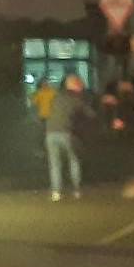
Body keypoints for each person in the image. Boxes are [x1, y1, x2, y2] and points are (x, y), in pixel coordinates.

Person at [43, 74, 90, 202]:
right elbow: (89, 114)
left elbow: (47, 112)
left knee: (55, 164)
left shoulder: (56, 96)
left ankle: (56, 192)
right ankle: (76, 190)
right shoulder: (76, 98)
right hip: (67, 133)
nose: (82, 86)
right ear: (75, 85)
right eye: (80, 84)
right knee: (74, 160)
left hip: (50, 132)